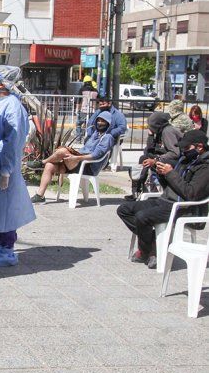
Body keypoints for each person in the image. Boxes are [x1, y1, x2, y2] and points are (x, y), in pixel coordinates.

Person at [117, 130, 209, 269]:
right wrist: (162, 174)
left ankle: (147, 250)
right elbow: (171, 186)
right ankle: (153, 243)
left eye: (186, 148)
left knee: (143, 217)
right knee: (124, 209)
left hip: (184, 208)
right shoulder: (186, 159)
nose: (183, 151)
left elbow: (190, 194)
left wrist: (170, 173)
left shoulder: (205, 167)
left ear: (199, 147)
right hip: (167, 200)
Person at [0, 66, 36, 267]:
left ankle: (6, 248)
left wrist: (6, 170)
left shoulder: (12, 105)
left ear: (2, 83)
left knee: (5, 208)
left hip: (2, 160)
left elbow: (14, 140)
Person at [29, 112, 116, 203]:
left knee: (62, 151)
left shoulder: (108, 137)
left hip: (88, 167)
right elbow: (85, 149)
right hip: (76, 163)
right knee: (50, 165)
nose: (100, 123)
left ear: (109, 124)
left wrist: (76, 158)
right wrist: (73, 153)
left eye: (103, 121)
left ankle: (41, 163)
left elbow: (96, 155)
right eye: (99, 120)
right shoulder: (95, 134)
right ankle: (40, 195)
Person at [124, 112, 181, 201]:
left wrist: (155, 160)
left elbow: (175, 153)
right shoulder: (160, 132)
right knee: (144, 158)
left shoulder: (168, 131)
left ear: (157, 124)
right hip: (165, 157)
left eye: (151, 126)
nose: (149, 127)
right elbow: (148, 151)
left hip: (178, 161)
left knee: (150, 162)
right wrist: (151, 135)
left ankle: (142, 191)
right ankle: (137, 191)